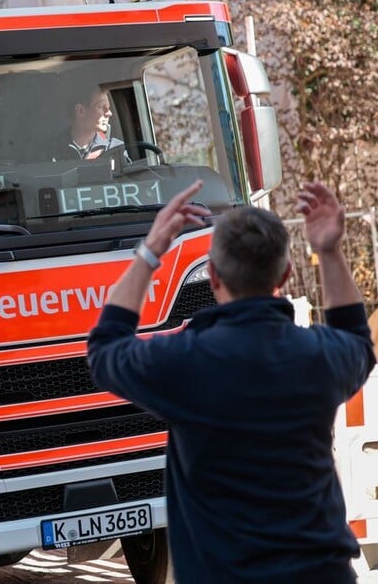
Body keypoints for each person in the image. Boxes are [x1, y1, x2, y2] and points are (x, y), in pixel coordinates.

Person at [87, 181, 374, 583]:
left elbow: (104, 348)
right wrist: (328, 250)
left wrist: (151, 251)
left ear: (213, 276)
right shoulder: (317, 356)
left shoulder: (183, 362)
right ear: (287, 275)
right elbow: (358, 340)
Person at [66, 84, 123, 161]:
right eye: (101, 106)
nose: (109, 113)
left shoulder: (115, 148)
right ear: (80, 110)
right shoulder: (53, 149)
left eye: (108, 108)